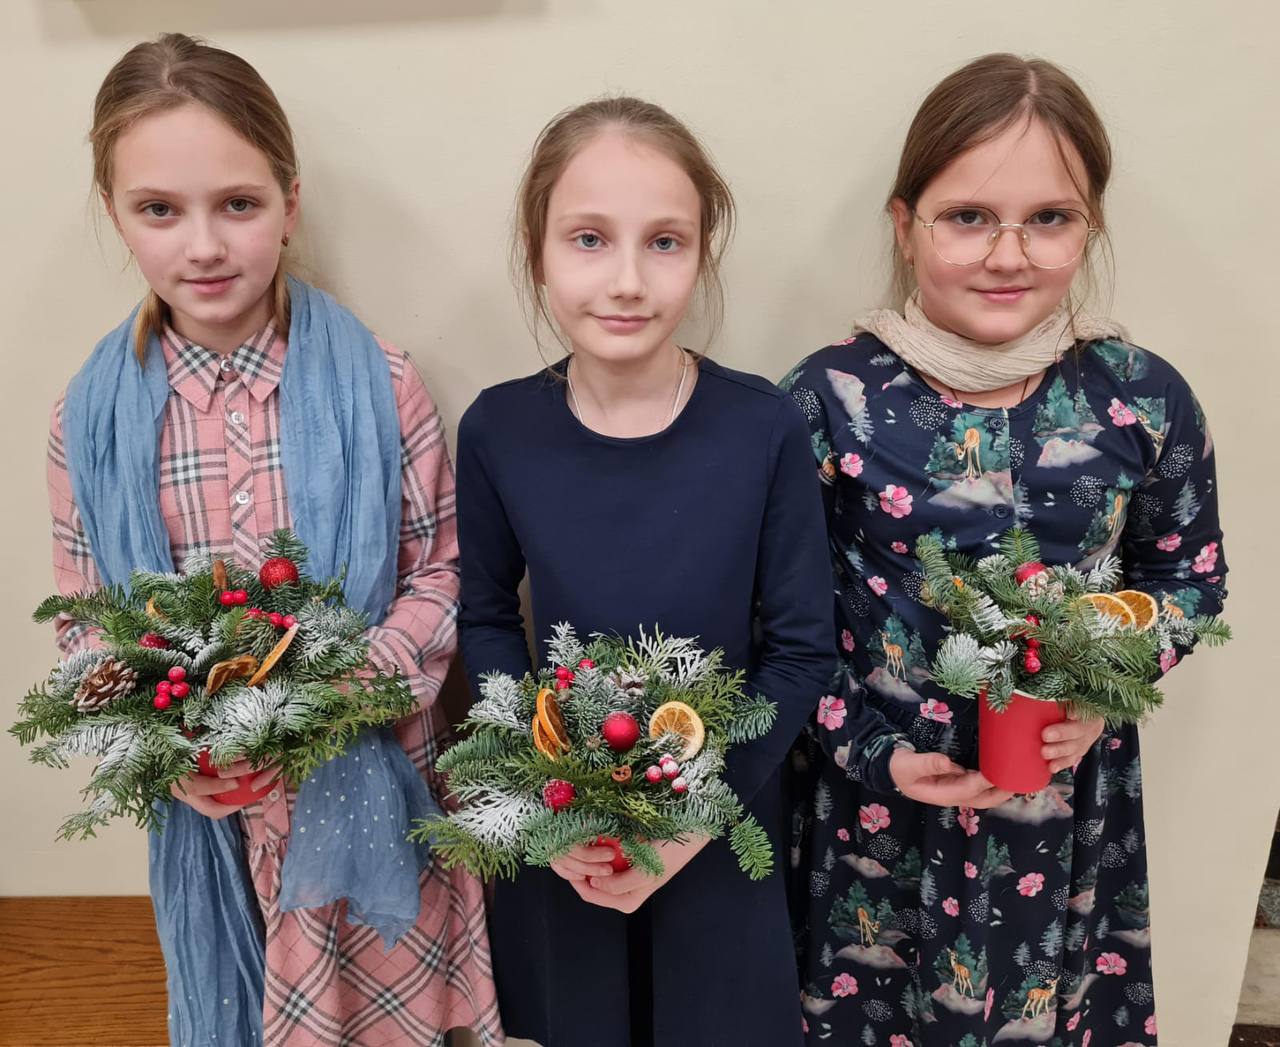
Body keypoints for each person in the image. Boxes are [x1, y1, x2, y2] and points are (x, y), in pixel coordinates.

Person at [47, 33, 502, 1047]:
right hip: (212, 819)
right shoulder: (90, 421)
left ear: (289, 204)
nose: (204, 245)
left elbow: (440, 575)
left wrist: (328, 706)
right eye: (159, 210)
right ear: (115, 214)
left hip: (371, 799)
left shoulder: (381, 384)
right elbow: (87, 628)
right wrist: (173, 756)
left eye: (238, 204)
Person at [785, 53, 1226, 1046]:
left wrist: (1106, 687)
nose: (1007, 254)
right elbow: (776, 615)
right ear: (904, 226)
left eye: (1048, 218)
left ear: (1089, 227)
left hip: (1061, 812)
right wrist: (873, 753)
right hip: (879, 810)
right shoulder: (828, 399)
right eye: (968, 217)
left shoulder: (1140, 397)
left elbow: (1187, 576)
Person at [455, 96, 834, 1046]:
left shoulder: (762, 428)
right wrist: (549, 805)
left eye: (664, 242)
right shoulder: (499, 429)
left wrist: (693, 821)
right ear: (538, 251)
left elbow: (799, 650)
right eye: (589, 239)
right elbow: (488, 619)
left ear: (702, 253)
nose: (626, 280)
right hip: (565, 832)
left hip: (720, 830)